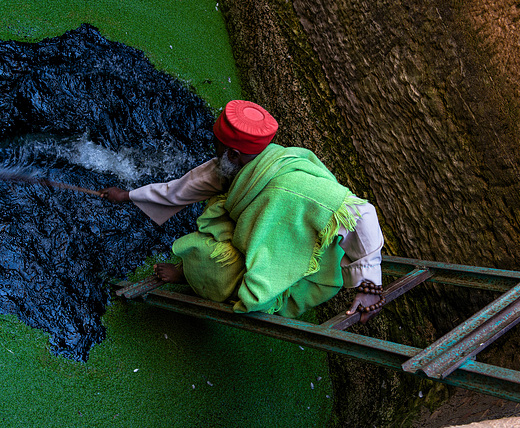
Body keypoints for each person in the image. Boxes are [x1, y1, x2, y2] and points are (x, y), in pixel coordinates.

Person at [99, 100, 384, 323]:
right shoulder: (239, 165)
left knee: (212, 265)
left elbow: (362, 213)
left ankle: (194, 275)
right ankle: (197, 270)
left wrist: (369, 286)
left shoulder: (293, 186)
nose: (214, 152)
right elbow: (184, 188)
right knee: (214, 219)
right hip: (263, 234)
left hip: (304, 260)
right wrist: (126, 195)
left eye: (218, 147)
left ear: (233, 155)